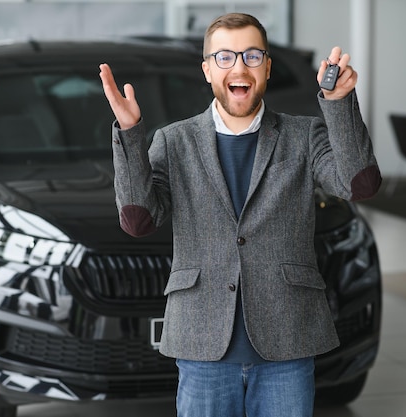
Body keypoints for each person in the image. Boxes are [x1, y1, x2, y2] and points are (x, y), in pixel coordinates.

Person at [99, 12, 381, 417]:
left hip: (288, 341)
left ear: (266, 66)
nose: (239, 67)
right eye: (225, 57)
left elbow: (361, 185)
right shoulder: (174, 141)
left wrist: (337, 105)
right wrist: (129, 133)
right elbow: (139, 221)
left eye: (251, 56)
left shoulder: (304, 135)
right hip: (202, 344)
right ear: (208, 69)